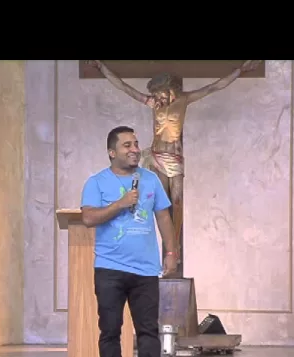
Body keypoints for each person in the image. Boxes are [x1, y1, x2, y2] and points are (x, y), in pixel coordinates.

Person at [88, 60, 262, 277]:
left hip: (176, 158)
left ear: (170, 90)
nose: (158, 98)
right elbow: (124, 87)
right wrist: (101, 67)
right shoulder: (153, 104)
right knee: (162, 205)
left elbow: (214, 87)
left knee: (177, 201)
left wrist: (240, 71)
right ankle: (165, 250)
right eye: (156, 95)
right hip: (158, 157)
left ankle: (174, 248)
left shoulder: (184, 100)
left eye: (161, 94)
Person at [80, 125, 178, 357]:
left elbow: (163, 217)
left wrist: (171, 252)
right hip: (109, 268)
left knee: (148, 329)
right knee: (110, 328)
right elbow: (88, 218)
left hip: (145, 269)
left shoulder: (151, 180)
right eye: (127, 145)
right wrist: (120, 204)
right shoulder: (96, 182)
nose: (135, 149)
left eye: (135, 144)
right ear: (112, 152)